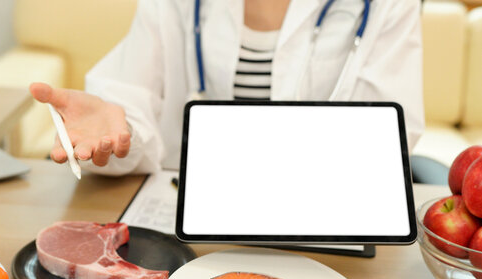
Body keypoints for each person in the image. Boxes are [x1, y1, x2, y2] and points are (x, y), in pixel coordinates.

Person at [30, 0, 424, 176]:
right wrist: (119, 129)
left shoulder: (388, 4)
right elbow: (128, 108)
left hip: (322, 226)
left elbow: (389, 136)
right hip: (194, 224)